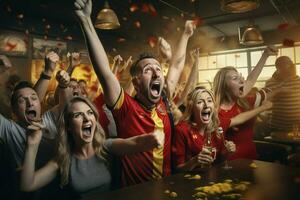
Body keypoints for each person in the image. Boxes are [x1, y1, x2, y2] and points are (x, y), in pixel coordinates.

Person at [74, 0, 195, 186]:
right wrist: (86, 21)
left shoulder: (163, 101)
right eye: (147, 70)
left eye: (157, 68)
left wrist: (186, 35)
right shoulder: (126, 108)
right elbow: (104, 71)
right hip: (136, 193)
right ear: (136, 82)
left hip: (166, 189)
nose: (156, 72)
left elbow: (177, 65)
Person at [20, 96, 160, 198]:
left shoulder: (106, 147)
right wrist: (32, 145)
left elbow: (134, 143)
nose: (87, 119)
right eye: (78, 115)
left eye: (90, 113)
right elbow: (27, 185)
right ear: (68, 126)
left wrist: (152, 138)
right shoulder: (63, 160)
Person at [213, 46, 278, 160]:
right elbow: (238, 119)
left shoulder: (246, 102)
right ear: (224, 85)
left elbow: (251, 80)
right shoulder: (214, 110)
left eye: (241, 77)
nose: (242, 80)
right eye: (235, 78)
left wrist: (265, 55)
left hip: (251, 158)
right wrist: (262, 108)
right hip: (226, 164)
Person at [172, 86, 236, 172]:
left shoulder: (217, 127)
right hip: (189, 182)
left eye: (209, 101)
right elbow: (176, 170)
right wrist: (194, 161)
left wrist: (227, 152)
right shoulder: (181, 130)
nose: (206, 105)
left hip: (213, 181)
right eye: (200, 102)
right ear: (192, 108)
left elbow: (219, 162)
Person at [265, 56, 300, 132]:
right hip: (278, 126)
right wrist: (279, 90)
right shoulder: (270, 83)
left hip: (297, 126)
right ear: (277, 67)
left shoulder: (298, 81)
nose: (289, 67)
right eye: (283, 65)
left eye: (289, 64)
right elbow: (265, 101)